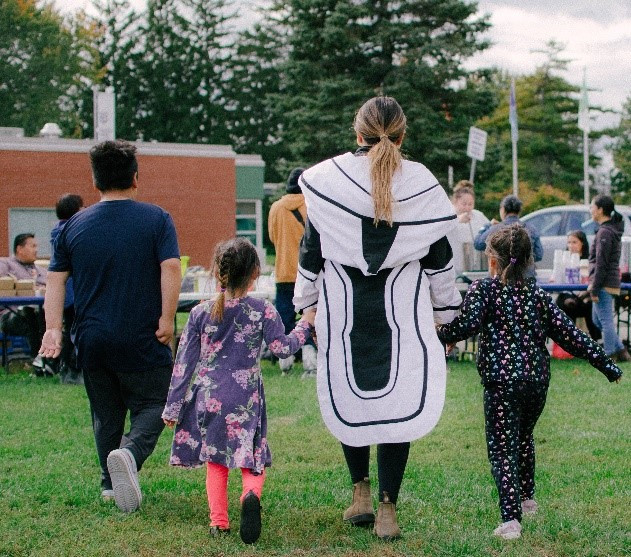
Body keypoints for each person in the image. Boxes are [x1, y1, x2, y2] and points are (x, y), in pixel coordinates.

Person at [293, 96, 462, 540]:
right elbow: (440, 262)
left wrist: (305, 305)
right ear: (402, 135)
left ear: (357, 133)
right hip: (403, 318)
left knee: (350, 401)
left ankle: (360, 495)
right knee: (397, 408)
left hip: (343, 313)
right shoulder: (422, 183)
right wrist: (446, 318)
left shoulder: (325, 181)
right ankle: (387, 510)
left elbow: (310, 252)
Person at [436, 224, 622, 540]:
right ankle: (527, 498)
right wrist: (606, 365)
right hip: (536, 383)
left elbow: (463, 327)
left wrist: (435, 332)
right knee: (523, 437)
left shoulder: (484, 290)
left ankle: (511, 521)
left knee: (502, 448)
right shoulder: (536, 294)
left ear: (493, 261)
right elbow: (571, 334)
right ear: (527, 261)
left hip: (501, 382)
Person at [39, 140, 181, 513]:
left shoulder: (73, 225)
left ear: (95, 180)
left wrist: (53, 328)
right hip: (142, 333)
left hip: (92, 337)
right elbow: (170, 267)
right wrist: (167, 319)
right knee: (157, 402)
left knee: (106, 412)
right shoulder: (157, 219)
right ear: (135, 178)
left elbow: (54, 280)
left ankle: (109, 484)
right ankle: (130, 456)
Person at [162, 237, 314, 544]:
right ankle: (250, 494)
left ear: (218, 272)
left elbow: (184, 364)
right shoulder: (263, 310)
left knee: (216, 460)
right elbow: (282, 349)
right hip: (246, 397)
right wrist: (305, 325)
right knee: (252, 455)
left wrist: (172, 407)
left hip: (209, 396)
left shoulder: (199, 313)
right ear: (255, 272)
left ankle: (219, 521)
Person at [268, 168, 317, 377]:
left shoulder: (275, 208)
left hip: (282, 272)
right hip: (305, 272)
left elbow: (272, 237)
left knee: (285, 319)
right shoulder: (310, 207)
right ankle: (309, 361)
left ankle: (285, 363)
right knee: (307, 316)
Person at [588, 194, 631, 362]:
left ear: (600, 210)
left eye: (592, 207)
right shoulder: (609, 230)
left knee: (604, 321)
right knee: (597, 320)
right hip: (607, 281)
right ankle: (621, 350)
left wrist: (595, 287)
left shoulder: (604, 232)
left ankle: (610, 355)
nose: (590, 210)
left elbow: (601, 263)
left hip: (604, 283)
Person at [0, 233, 49, 369]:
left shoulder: (41, 270)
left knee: (46, 318)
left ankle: (49, 362)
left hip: (40, 312)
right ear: (19, 249)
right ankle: (38, 361)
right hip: (11, 315)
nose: (36, 250)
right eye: (32, 246)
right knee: (30, 313)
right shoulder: (6, 264)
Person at [50, 194, 84, 384]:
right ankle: (72, 371)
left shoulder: (58, 231)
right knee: (74, 334)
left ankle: (67, 369)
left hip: (66, 295)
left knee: (70, 332)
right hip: (73, 293)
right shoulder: (71, 231)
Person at [474, 195, 543, 276]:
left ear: (503, 209)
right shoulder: (531, 229)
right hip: (526, 279)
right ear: (519, 210)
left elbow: (478, 244)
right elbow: (539, 255)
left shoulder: (496, 229)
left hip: (499, 281)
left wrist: (487, 226)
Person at [555, 230, 600, 340]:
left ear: (582, 243)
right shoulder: (563, 259)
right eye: (569, 242)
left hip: (584, 295)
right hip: (567, 295)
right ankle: (569, 340)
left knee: (590, 305)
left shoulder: (589, 260)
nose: (571, 245)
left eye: (574, 242)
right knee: (562, 301)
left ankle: (597, 340)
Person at [446, 180, 490, 276]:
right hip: (453, 264)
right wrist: (457, 220)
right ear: (455, 202)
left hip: (474, 264)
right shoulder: (448, 215)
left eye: (470, 204)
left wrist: (492, 225)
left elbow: (488, 230)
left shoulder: (478, 215)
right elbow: (440, 229)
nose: (467, 207)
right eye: (464, 204)